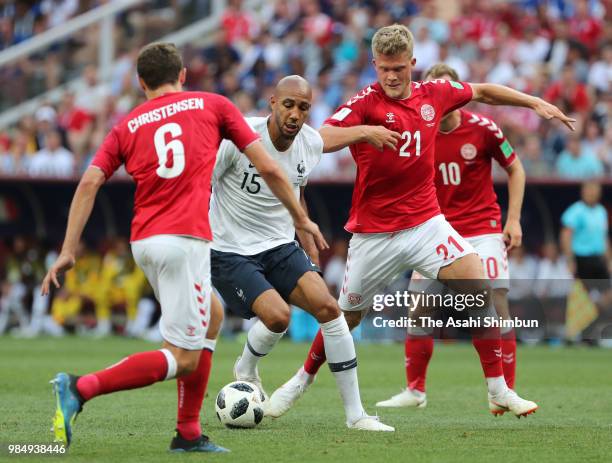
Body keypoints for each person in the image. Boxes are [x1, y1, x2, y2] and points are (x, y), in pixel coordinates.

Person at [268, 24, 575, 419]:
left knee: (478, 283)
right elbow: (320, 138)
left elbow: (482, 91)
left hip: (426, 223)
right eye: (384, 70)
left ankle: (498, 390)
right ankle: (301, 380)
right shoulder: (364, 102)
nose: (392, 77)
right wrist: (365, 132)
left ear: (413, 63)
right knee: (346, 316)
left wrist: (535, 103)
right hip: (374, 234)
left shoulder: (435, 95)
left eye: (399, 68)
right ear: (374, 65)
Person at [41, 42, 326, 452]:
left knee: (212, 315)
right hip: (184, 240)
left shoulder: (128, 124)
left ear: (141, 83)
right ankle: (79, 388)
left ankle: (188, 433)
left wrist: (68, 249)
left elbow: (89, 182)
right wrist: (301, 218)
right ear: (184, 76)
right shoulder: (212, 106)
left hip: (145, 241)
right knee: (184, 357)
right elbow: (266, 165)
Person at [209, 75, 393, 431]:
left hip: (278, 244)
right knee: (279, 317)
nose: (295, 114)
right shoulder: (238, 137)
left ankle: (356, 415)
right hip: (230, 250)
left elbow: (307, 168)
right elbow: (204, 183)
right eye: (289, 104)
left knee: (330, 309)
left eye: (304, 107)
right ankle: (245, 368)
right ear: (272, 104)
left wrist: (304, 227)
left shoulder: (308, 143)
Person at [374, 63, 526, 410]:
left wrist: (513, 220)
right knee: (419, 309)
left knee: (493, 303)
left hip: (482, 229)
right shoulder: (417, 131)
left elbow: (515, 168)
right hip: (437, 231)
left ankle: (505, 392)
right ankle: (415, 390)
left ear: (459, 98)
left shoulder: (485, 130)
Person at [560, 181, 610, 294]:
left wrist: (609, 260)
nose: (592, 194)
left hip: (598, 259)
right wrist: (570, 260)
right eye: (589, 191)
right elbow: (566, 236)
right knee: (584, 295)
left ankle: (599, 310)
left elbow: (604, 237)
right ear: (583, 192)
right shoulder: (575, 211)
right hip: (582, 259)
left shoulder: (601, 211)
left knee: (607, 293)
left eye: (595, 191)